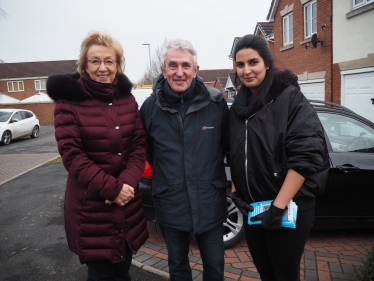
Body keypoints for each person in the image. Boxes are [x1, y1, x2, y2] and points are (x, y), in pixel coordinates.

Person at [47, 31, 148, 281]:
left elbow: (138, 146)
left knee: (123, 270)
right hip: (90, 208)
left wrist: (126, 184)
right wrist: (113, 189)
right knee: (101, 274)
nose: (102, 68)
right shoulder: (68, 102)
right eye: (95, 61)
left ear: (118, 65)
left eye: (109, 61)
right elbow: (72, 156)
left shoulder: (128, 100)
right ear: (85, 65)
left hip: (126, 202)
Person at [229, 34, 330, 281]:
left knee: (285, 275)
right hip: (253, 209)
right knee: (267, 273)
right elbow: (234, 153)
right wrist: (236, 192)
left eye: (253, 62)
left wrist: (278, 206)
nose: (246, 70)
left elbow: (305, 156)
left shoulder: (289, 98)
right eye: (240, 65)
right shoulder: (237, 108)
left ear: (267, 63)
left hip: (288, 207)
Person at [140, 39, 230, 281]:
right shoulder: (149, 108)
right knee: (178, 267)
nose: (179, 72)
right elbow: (149, 151)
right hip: (171, 203)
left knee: (214, 267)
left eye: (185, 66)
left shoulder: (216, 105)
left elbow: (228, 147)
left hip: (209, 202)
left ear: (196, 70)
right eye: (172, 65)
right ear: (163, 70)